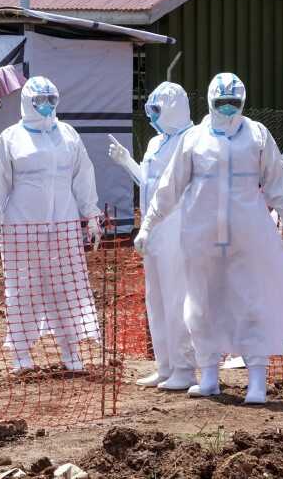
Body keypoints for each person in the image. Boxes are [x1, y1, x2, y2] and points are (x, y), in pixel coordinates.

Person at [135, 73, 283, 404]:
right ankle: (209, 374)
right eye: (221, 103)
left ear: (243, 102)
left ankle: (257, 379)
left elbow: (276, 181)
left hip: (249, 236)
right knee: (202, 302)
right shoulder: (195, 138)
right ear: (211, 103)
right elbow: (170, 187)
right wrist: (149, 225)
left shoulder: (257, 135)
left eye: (234, 104)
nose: (228, 111)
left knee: (251, 300)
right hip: (201, 237)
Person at [0, 76, 103, 373]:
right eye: (40, 100)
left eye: (52, 100)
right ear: (27, 102)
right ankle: (21, 354)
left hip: (63, 223)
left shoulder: (68, 135)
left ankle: (70, 350)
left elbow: (83, 176)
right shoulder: (10, 137)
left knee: (67, 285)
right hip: (23, 225)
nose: (47, 106)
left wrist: (91, 214)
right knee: (23, 287)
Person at [108, 81, 197, 390]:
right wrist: (127, 163)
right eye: (150, 110)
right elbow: (150, 182)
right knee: (156, 297)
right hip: (152, 226)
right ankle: (165, 365)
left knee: (177, 297)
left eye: (158, 110)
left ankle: (185, 367)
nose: (153, 116)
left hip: (178, 224)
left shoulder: (192, 140)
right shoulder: (155, 143)